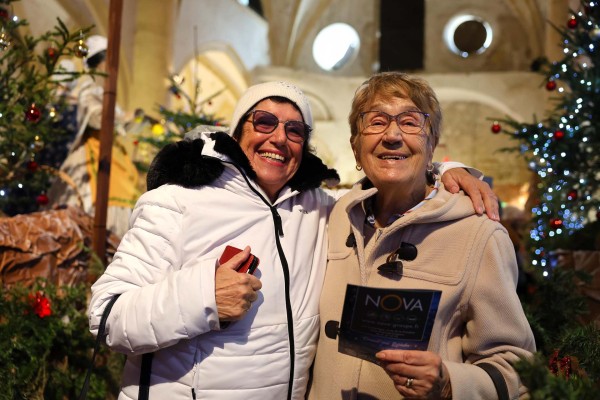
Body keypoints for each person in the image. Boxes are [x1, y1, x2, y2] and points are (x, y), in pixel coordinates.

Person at [88, 80, 498, 399]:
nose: (279, 138)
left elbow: (391, 170)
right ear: (235, 133)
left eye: (295, 130)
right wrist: (203, 296)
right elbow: (107, 316)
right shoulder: (177, 202)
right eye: (264, 122)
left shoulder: (320, 209)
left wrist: (446, 169)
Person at [309, 72, 536, 399]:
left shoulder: (478, 233)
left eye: (411, 122)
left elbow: (518, 364)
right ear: (356, 149)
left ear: (432, 144)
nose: (392, 135)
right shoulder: (335, 216)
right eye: (375, 122)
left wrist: (449, 383)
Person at [46, 35, 139, 237]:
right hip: (94, 148)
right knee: (100, 192)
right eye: (108, 60)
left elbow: (117, 120)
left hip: (111, 149)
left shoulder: (100, 89)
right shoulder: (87, 87)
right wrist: (120, 117)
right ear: (101, 62)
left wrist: (130, 119)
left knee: (121, 187)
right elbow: (96, 118)